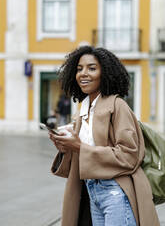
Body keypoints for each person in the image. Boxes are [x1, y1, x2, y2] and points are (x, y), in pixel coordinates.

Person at [49, 46, 160, 226]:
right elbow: (81, 158)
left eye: (92, 68)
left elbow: (129, 156)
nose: (83, 73)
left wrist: (79, 147)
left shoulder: (118, 106)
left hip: (116, 192)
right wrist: (65, 147)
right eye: (79, 69)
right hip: (92, 192)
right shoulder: (82, 111)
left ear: (105, 73)